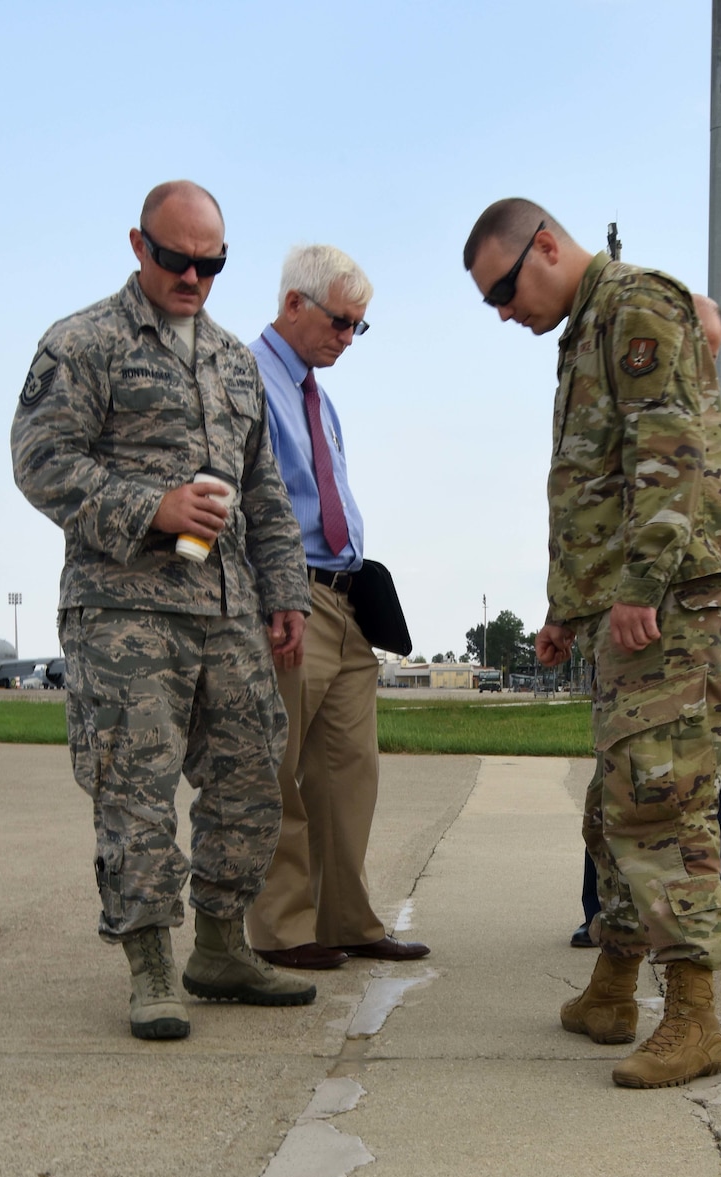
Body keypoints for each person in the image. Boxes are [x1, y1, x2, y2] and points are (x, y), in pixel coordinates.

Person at [11, 180, 316, 1041]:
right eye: (178, 259)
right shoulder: (84, 343)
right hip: (123, 608)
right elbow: (40, 459)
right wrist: (152, 506)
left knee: (252, 777)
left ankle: (220, 947)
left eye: (211, 264)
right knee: (135, 788)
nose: (193, 276)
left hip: (227, 607)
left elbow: (265, 489)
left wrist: (283, 590)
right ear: (138, 246)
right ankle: (149, 963)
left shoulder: (231, 360)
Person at [464, 199, 721, 1088]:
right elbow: (598, 478)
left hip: (670, 602)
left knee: (661, 801)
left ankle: (693, 1018)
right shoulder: (587, 330)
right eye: (491, 303)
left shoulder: (633, 307)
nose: (505, 312)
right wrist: (566, 609)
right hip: (628, 608)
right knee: (616, 801)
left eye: (504, 289)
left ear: (545, 245)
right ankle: (614, 987)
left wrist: (637, 587)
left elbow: (669, 454)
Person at [245, 246, 429, 971]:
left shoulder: (318, 396)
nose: (348, 338)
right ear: (293, 303)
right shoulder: (246, 377)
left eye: (359, 327)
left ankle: (346, 918)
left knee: (349, 772)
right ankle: (283, 928)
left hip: (347, 600)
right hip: (291, 598)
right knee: (277, 770)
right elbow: (243, 501)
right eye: (340, 322)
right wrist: (271, 595)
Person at [571, 290, 721, 942]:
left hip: (701, 604)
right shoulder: (628, 406)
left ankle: (704, 917)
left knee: (695, 782)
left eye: (705, 345)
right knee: (620, 776)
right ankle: (610, 921)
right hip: (634, 610)